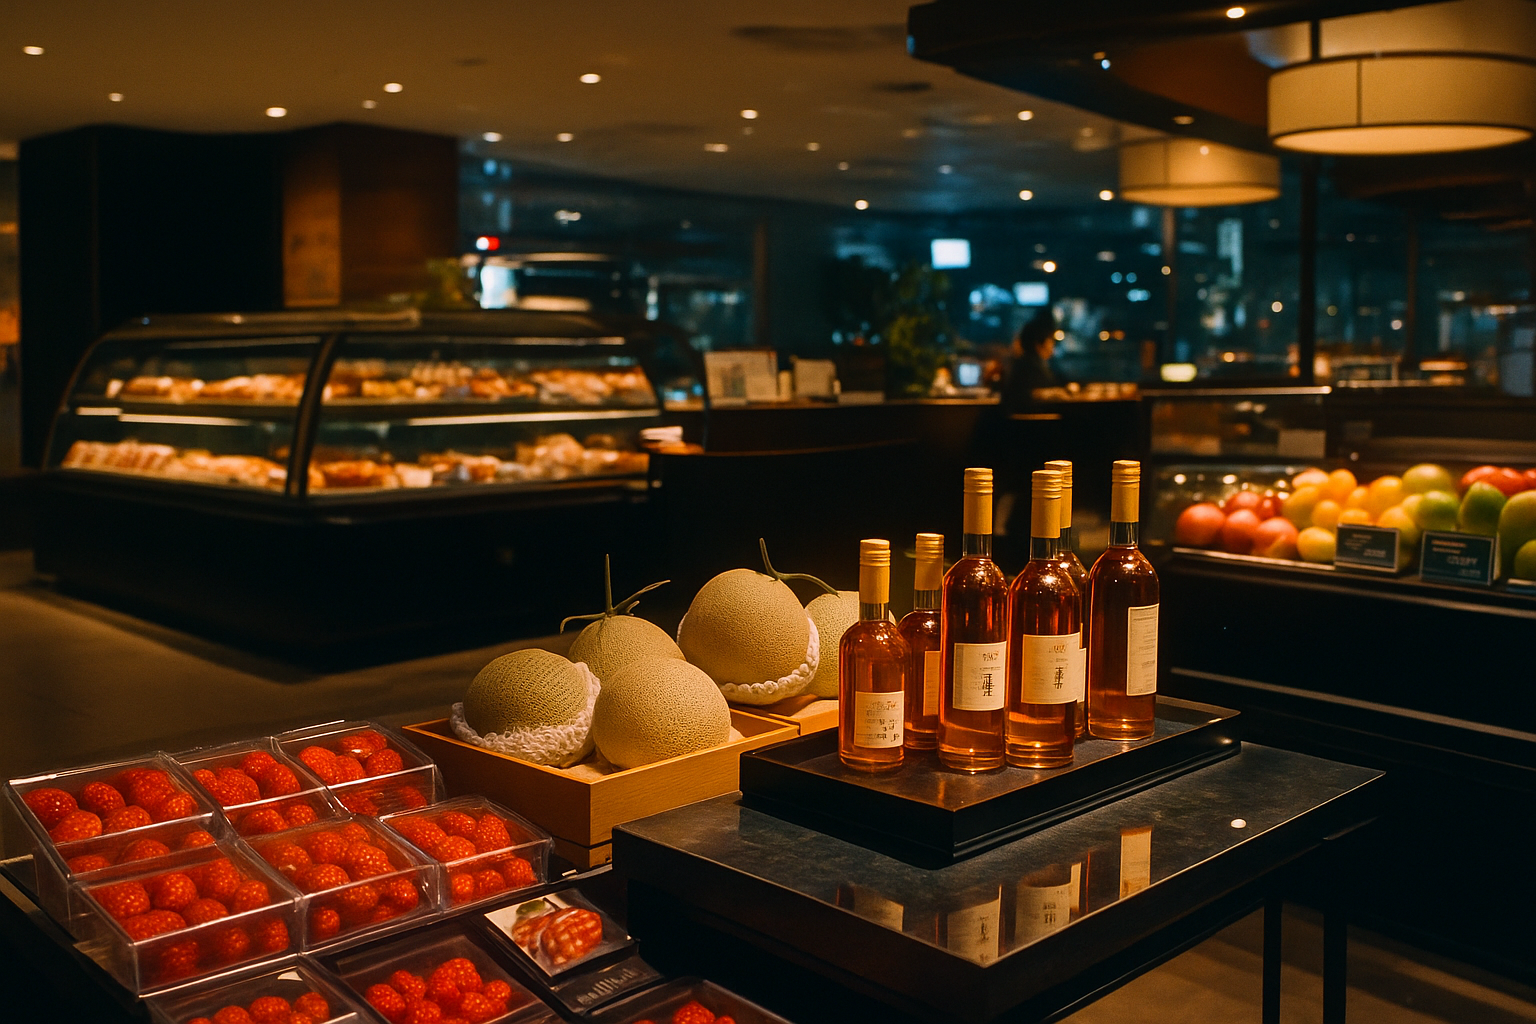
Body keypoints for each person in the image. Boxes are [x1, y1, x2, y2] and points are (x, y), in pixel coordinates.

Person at [1002, 310, 1059, 411]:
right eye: (1050, 341)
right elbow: (1030, 397)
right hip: (1031, 421)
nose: (1053, 346)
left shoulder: (1024, 364)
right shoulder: (1030, 367)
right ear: (1038, 345)